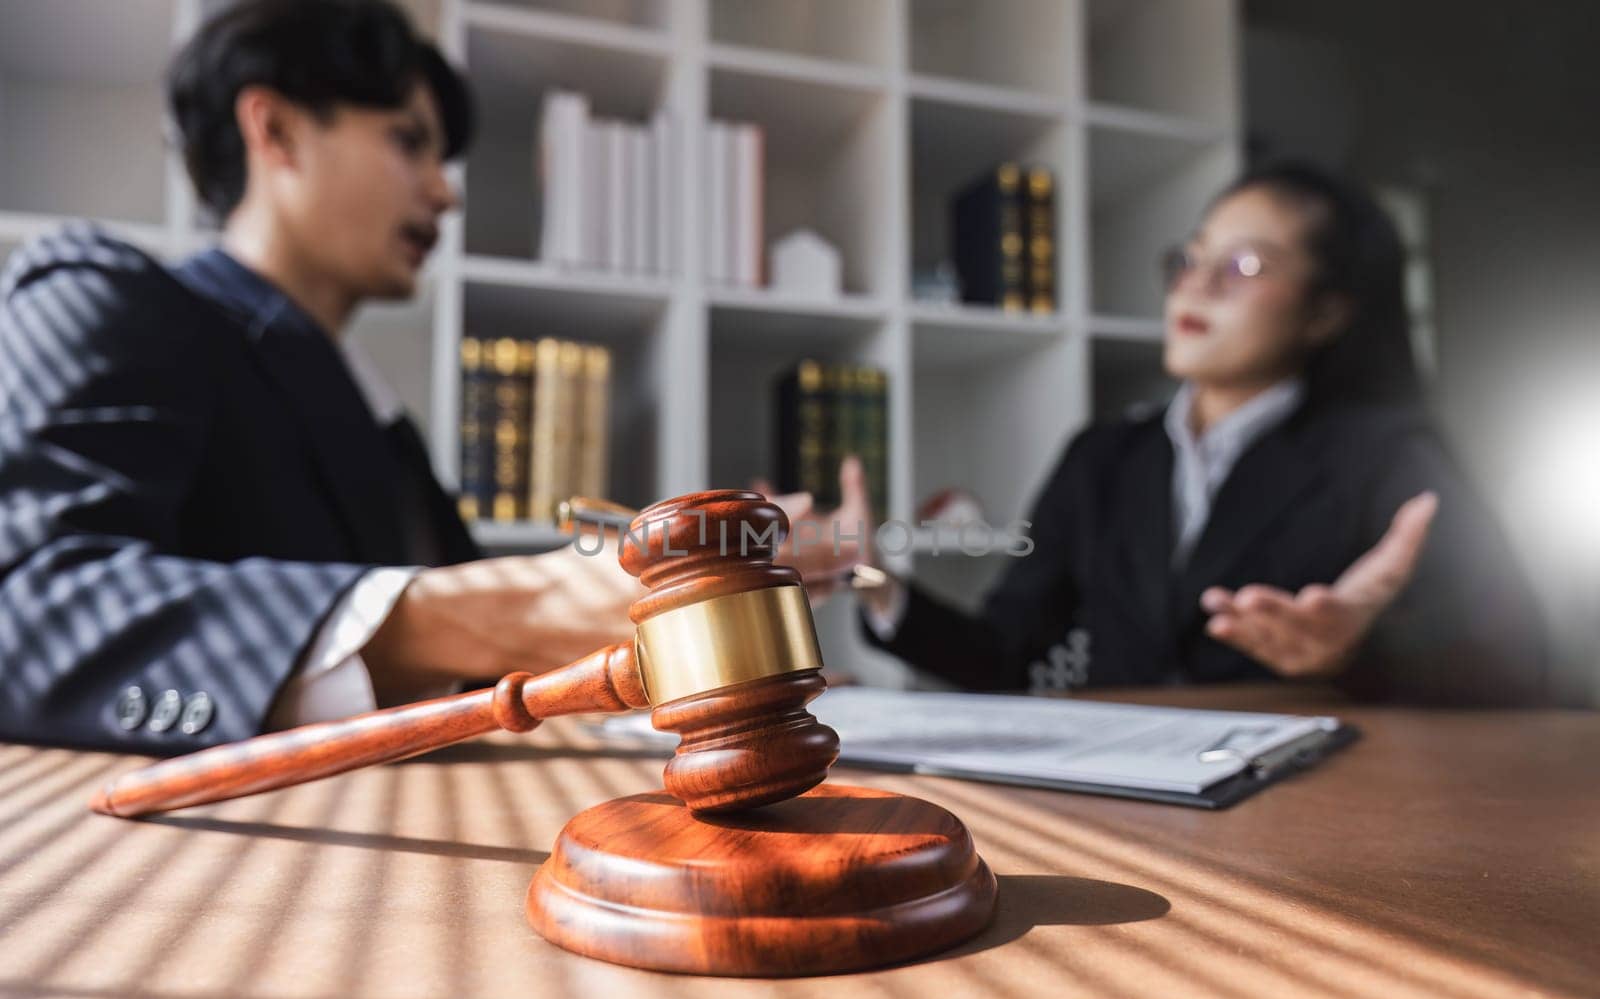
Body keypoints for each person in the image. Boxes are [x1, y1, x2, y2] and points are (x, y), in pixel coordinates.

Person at [0, 0, 636, 753]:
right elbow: (26, 612)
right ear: (275, 130)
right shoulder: (103, 295)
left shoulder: (381, 424)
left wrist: (678, 563)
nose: (445, 192)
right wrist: (500, 610)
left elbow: (483, 656)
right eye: (410, 142)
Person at [783, 161, 1547, 706]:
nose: (1197, 282)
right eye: (1192, 256)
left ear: (1327, 311)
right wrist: (871, 577)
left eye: (1246, 263)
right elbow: (1007, 652)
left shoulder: (1387, 454)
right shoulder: (1103, 456)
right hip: (1126, 798)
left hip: (1316, 811)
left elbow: (1514, 663)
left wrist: (1357, 650)